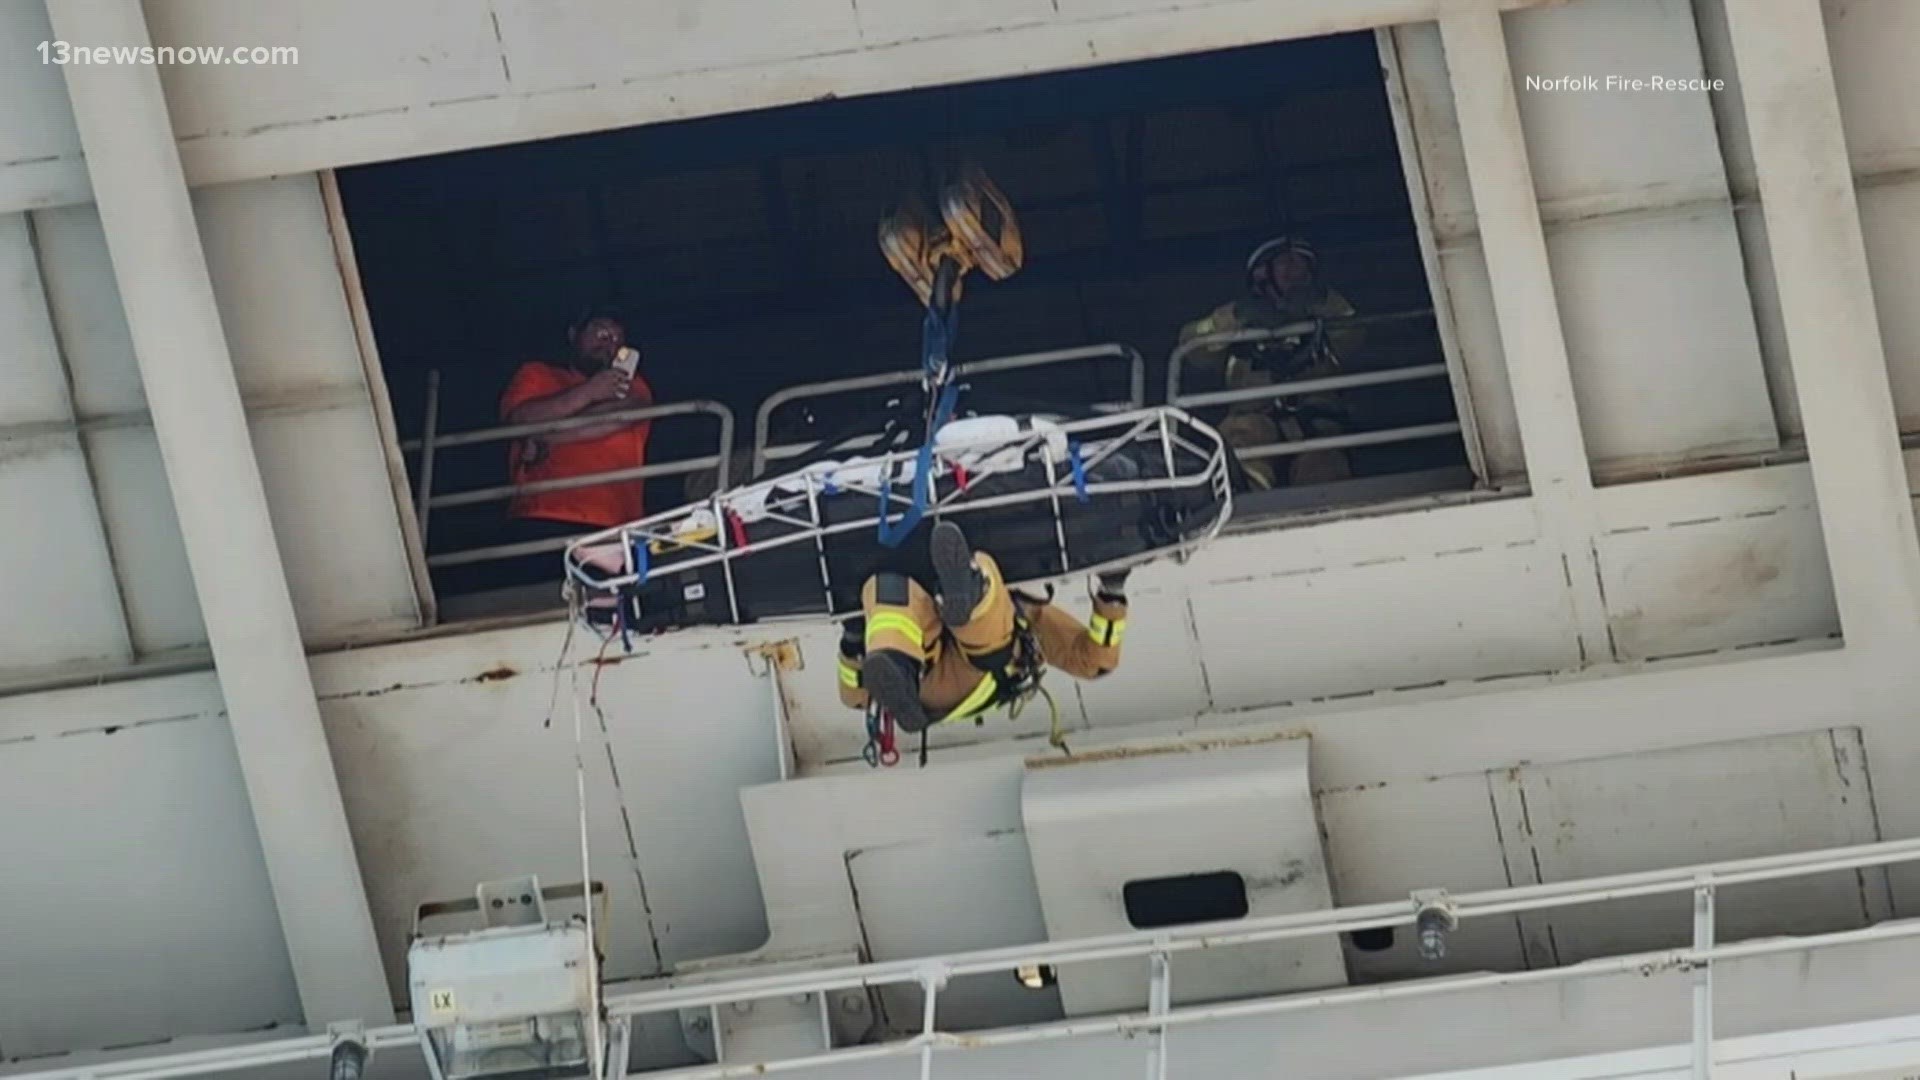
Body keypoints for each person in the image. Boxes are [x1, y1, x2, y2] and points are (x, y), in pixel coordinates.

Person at [836, 520, 1131, 733]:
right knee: (889, 590)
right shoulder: (1031, 617)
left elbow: (1097, 662)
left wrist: (1112, 592)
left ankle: (970, 590)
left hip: (978, 672)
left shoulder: (1026, 616)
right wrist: (853, 641)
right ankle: (900, 661)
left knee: (987, 630)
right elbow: (857, 698)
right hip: (927, 690)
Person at [479, 311, 655, 590]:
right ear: (574, 335)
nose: (608, 342)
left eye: (616, 338)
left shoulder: (633, 384)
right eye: (599, 332)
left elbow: (618, 416)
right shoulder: (538, 375)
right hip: (542, 515)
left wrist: (545, 435)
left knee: (610, 613)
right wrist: (589, 392)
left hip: (615, 524)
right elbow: (521, 420)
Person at [1176, 236, 1364, 489]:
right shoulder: (1237, 323)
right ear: (1262, 273)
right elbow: (1192, 348)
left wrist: (1321, 301)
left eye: (1303, 264)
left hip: (1315, 420)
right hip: (1253, 419)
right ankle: (1245, 496)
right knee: (1243, 441)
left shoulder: (1327, 318)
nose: (1296, 270)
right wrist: (1237, 316)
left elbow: (1354, 333)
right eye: (1287, 262)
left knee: (1324, 459)